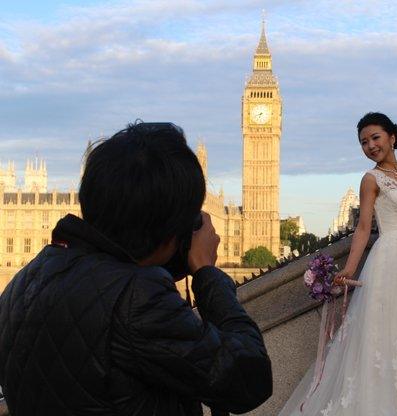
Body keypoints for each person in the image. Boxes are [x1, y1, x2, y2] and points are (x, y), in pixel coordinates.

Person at [0, 122, 272, 416]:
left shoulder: (27, 279)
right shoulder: (138, 300)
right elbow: (249, 379)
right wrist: (206, 273)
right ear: (172, 230)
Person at [279, 112, 397, 415]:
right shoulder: (371, 179)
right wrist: (349, 268)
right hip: (388, 261)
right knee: (381, 337)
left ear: (392, 137)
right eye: (364, 142)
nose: (370, 145)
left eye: (375, 137)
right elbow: (363, 228)